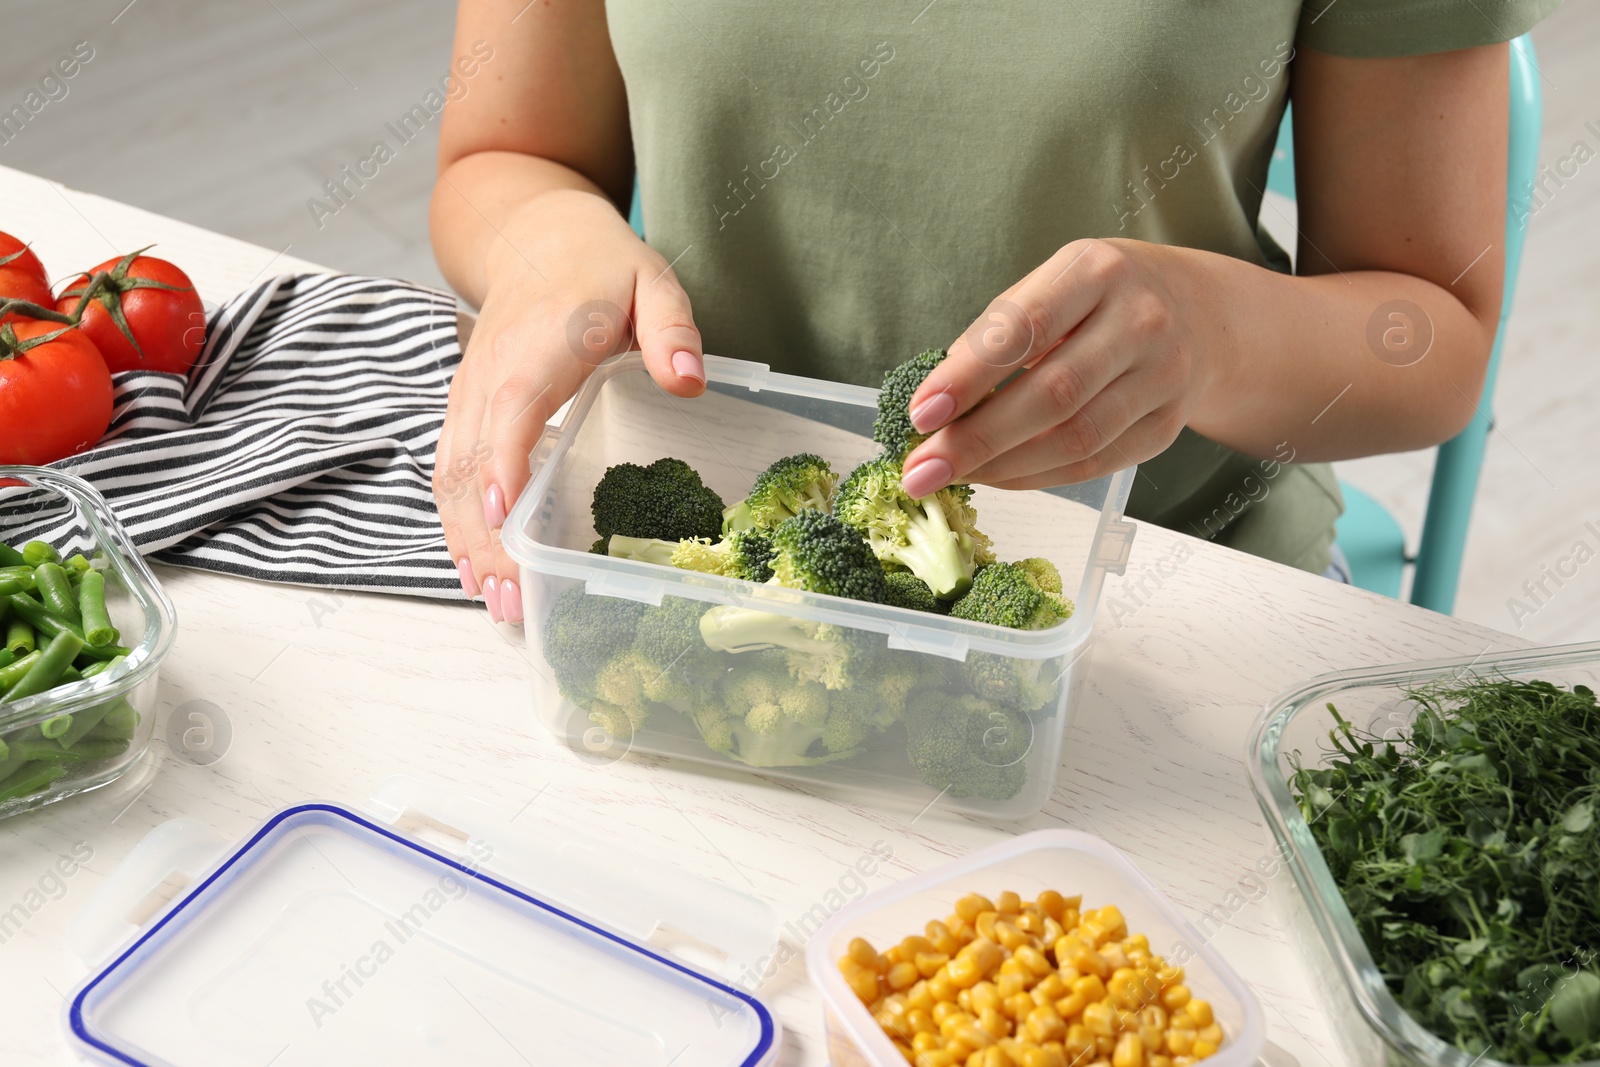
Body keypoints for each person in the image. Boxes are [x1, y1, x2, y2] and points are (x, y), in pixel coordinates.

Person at [429, 0, 1556, 623]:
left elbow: (1431, 329)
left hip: (1165, 585)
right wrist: (543, 237)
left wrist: (1209, 332)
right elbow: (503, 152)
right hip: (685, 567)